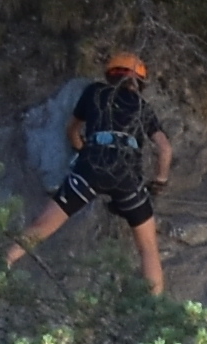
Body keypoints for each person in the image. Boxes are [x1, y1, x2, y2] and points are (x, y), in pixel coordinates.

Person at [15, 52, 173, 294]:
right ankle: (155, 308)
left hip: (91, 169)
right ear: (139, 82)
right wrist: (159, 182)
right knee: (148, 248)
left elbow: (73, 131)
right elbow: (164, 148)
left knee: (41, 226)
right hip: (127, 177)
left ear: (110, 76)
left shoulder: (95, 92)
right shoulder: (144, 107)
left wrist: (84, 150)